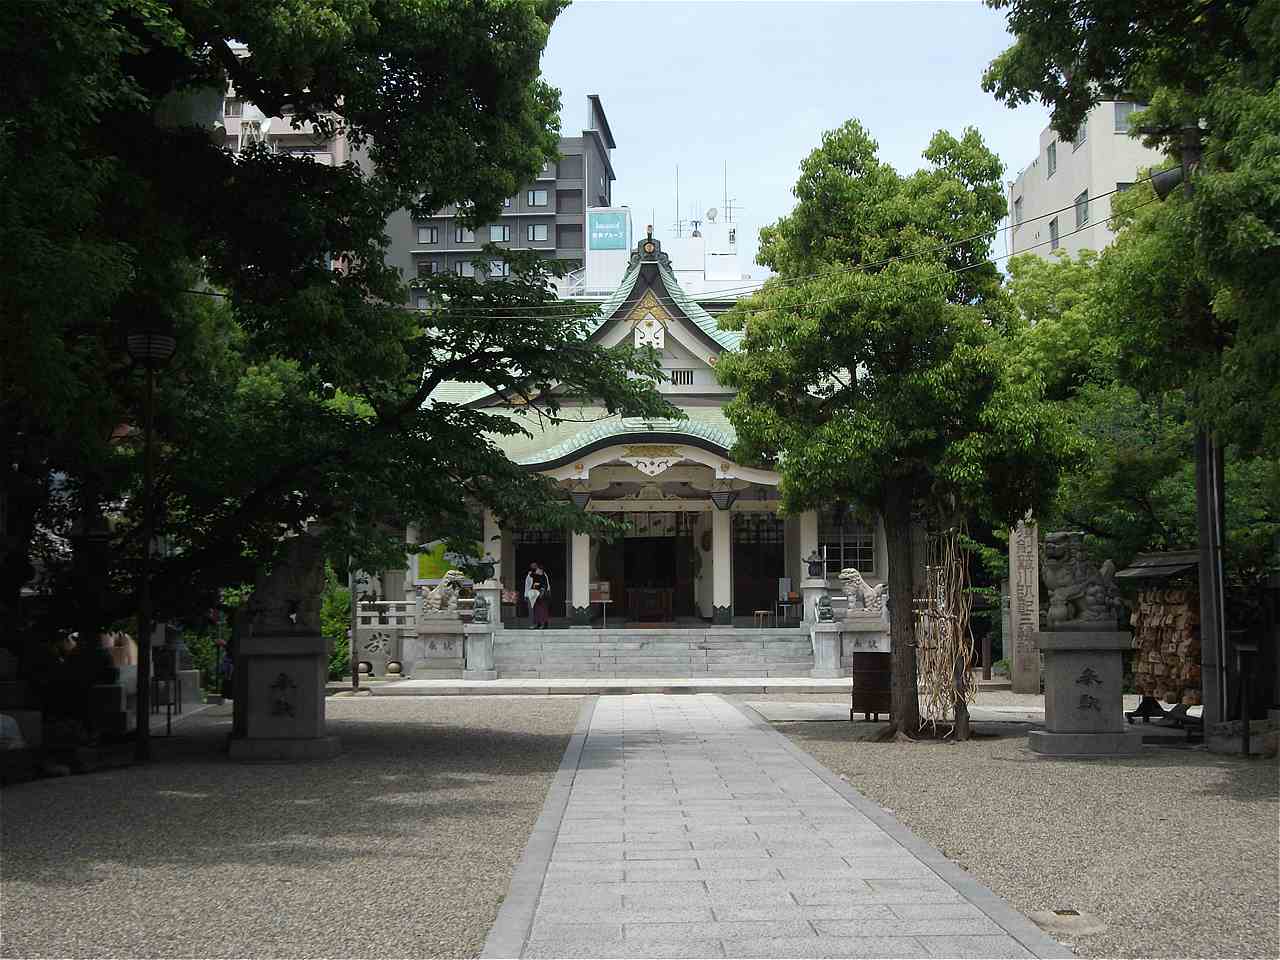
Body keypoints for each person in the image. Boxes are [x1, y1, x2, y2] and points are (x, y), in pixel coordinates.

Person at [524, 562, 551, 629]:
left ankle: (544, 624)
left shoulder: (544, 575)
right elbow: (527, 586)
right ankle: (536, 624)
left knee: (543, 610)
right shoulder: (531, 575)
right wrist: (526, 595)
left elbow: (547, 585)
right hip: (532, 595)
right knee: (535, 611)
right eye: (532, 566)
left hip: (542, 595)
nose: (538, 570)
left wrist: (544, 592)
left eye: (535, 566)